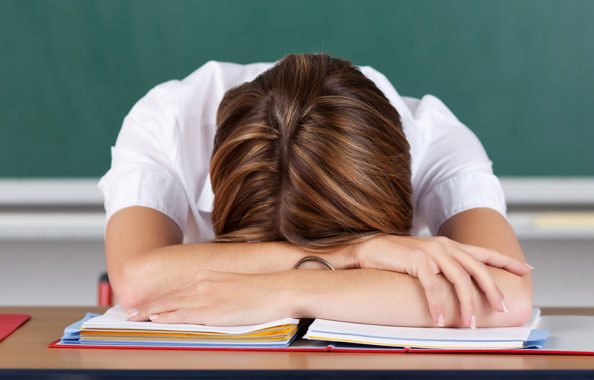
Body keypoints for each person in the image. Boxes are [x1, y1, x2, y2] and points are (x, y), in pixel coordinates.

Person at [99, 53, 533, 329]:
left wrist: (288, 290)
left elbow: (508, 297)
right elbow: (136, 283)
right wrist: (352, 255)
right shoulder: (169, 121)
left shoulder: (435, 138)